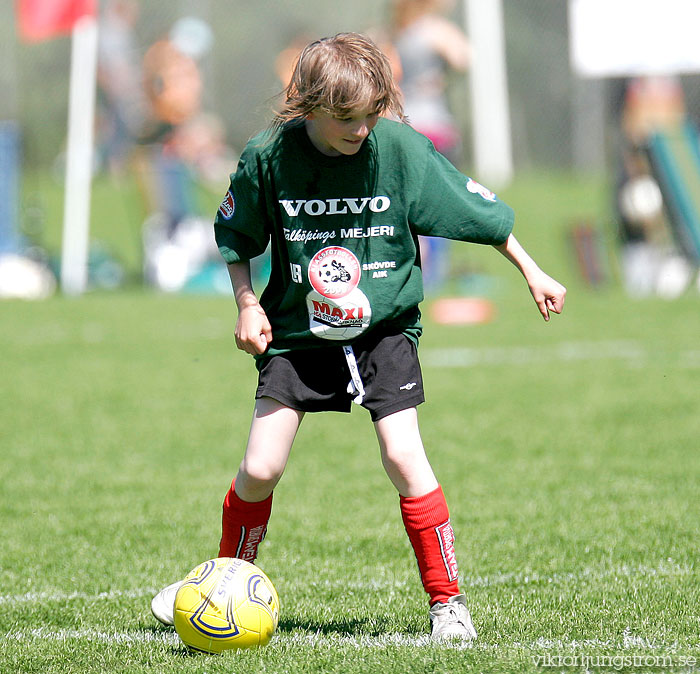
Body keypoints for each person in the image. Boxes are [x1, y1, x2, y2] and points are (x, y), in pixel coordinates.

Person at [150, 32, 566, 641]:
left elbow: (477, 211)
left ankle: (448, 604)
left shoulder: (399, 150)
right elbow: (236, 237)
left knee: (403, 456)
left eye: (372, 115)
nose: (361, 129)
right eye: (347, 118)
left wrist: (532, 269)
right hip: (296, 333)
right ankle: (221, 587)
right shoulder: (271, 156)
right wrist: (245, 304)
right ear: (309, 106)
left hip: (383, 331)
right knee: (260, 466)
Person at [390, 0, 472, 290]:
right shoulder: (434, 29)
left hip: (406, 121)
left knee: (410, 202)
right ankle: (434, 272)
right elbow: (463, 58)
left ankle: (414, 265)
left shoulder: (400, 31)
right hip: (434, 124)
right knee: (440, 199)